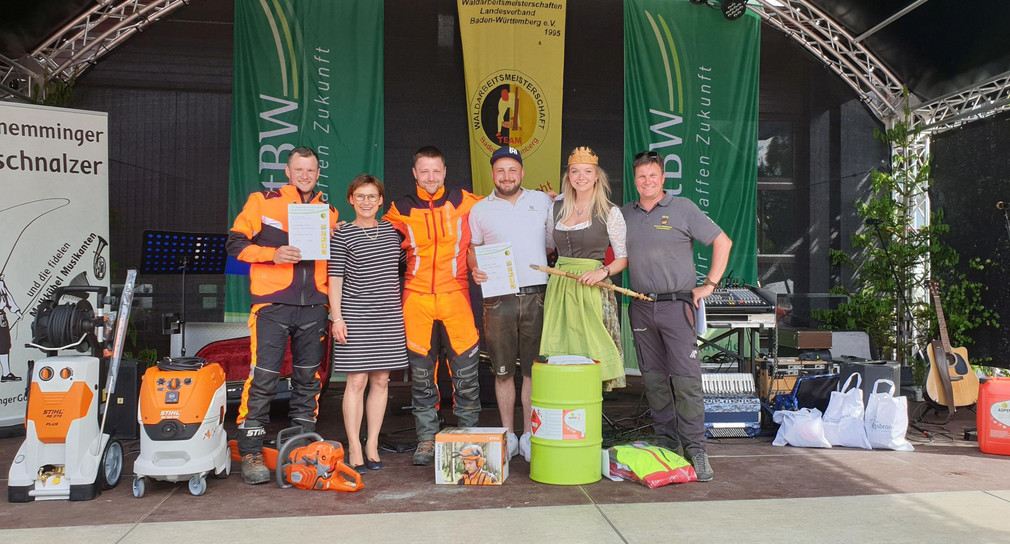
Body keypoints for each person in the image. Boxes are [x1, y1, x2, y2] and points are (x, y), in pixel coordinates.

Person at [226, 146, 337, 485]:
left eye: (311, 170)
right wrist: (273, 254)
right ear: (287, 172)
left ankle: (302, 447)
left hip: (314, 307)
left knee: (308, 380)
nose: (305, 175)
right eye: (299, 169)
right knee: (263, 379)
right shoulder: (261, 201)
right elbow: (234, 244)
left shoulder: (328, 212)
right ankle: (251, 452)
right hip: (272, 307)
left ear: (318, 173)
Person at [621, 150, 732, 483]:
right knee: (654, 382)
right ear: (635, 180)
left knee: (686, 382)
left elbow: (723, 242)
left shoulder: (682, 208)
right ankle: (668, 446)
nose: (647, 182)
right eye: (641, 177)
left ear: (663, 177)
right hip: (641, 306)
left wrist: (709, 284)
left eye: (653, 176)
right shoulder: (624, 214)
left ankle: (696, 449)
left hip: (677, 306)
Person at [384, 146, 484, 466]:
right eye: (424, 171)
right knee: (422, 376)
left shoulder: (465, 201)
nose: (430, 177)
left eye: (436, 171)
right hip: (416, 299)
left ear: (445, 172)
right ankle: (426, 439)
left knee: (465, 374)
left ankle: (469, 436)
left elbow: (502, 209)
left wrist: (546, 201)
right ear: (414, 173)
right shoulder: (400, 209)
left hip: (456, 295)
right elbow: (377, 236)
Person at [468, 146, 553, 462]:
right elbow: (473, 249)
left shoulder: (542, 202)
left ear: (522, 173)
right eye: (500, 170)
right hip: (498, 297)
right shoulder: (480, 210)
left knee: (533, 370)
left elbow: (552, 241)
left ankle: (529, 434)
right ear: (492, 174)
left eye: (512, 170)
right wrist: (474, 267)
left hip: (537, 294)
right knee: (502, 371)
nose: (507, 176)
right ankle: (508, 434)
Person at [327, 174, 408, 474]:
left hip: (388, 316)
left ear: (381, 201)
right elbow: (335, 279)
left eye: (372, 196)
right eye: (360, 196)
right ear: (350, 199)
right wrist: (337, 317)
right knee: (357, 382)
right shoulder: (342, 234)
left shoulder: (393, 232)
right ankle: (354, 446)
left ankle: (372, 444)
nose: (366, 201)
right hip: (355, 316)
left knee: (382, 381)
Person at [540, 146, 627, 391]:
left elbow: (623, 258)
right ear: (568, 176)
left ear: (597, 176)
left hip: (592, 287)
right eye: (575, 171)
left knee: (591, 347)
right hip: (560, 286)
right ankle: (564, 399)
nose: (581, 177)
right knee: (561, 344)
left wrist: (602, 272)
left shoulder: (610, 212)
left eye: (588, 171)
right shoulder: (555, 208)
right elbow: (548, 245)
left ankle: (588, 403)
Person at [0, 273, 23, 382]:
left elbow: (8, 298)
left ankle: (6, 373)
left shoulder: (1, 284)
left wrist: (16, 311)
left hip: (1, 317)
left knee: (4, 344)